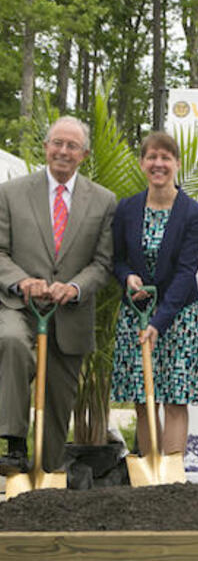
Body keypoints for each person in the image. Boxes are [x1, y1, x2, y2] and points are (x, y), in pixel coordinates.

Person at [0, 116, 116, 474]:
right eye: (57, 144)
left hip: (69, 315)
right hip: (19, 306)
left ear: (84, 154)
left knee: (57, 401)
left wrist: (75, 287)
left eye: (72, 146)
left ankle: (46, 473)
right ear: (47, 148)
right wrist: (22, 282)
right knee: (12, 342)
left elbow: (102, 262)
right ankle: (13, 444)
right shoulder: (11, 192)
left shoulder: (104, 201)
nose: (63, 152)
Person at [111, 132, 198, 459]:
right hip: (136, 315)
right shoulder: (126, 209)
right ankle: (149, 478)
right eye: (152, 157)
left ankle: (171, 480)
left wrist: (159, 321)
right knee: (143, 400)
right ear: (142, 163)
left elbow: (186, 271)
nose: (158, 164)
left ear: (177, 164)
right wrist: (128, 277)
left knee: (175, 400)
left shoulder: (194, 213)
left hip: (180, 317)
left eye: (166, 158)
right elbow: (118, 259)